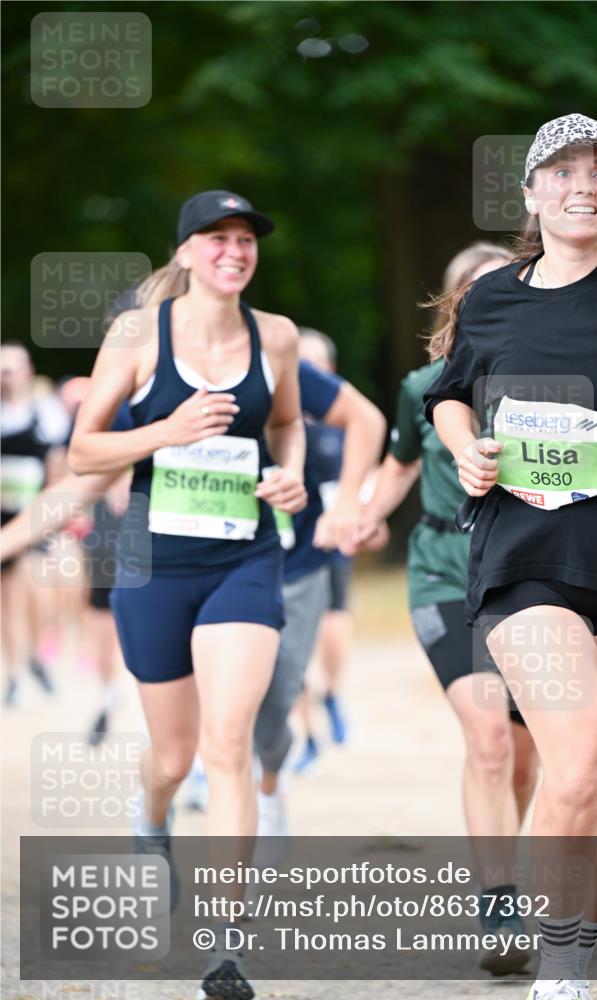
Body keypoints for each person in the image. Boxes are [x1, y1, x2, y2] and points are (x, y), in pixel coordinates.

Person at [424, 115, 597, 1000]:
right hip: (525, 552)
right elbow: (447, 397)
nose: (582, 186)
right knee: (579, 761)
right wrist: (463, 448)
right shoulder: (492, 296)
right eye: (561, 171)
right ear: (529, 192)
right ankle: (550, 973)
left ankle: (568, 960)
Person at [68, 189, 308, 1000]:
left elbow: (285, 423)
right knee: (172, 757)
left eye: (245, 240)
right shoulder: (139, 334)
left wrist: (292, 475)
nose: (234, 252)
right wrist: (164, 431)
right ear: (185, 254)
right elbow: (82, 450)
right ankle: (151, 820)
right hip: (152, 564)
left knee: (227, 744)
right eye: (217, 239)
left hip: (243, 559)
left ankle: (225, 944)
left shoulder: (272, 336)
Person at [354, 243, 539, 975]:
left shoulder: (547, 387)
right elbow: (398, 465)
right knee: (489, 737)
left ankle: (502, 872)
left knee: (523, 760)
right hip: (441, 575)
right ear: (457, 305)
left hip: (529, 585)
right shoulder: (423, 385)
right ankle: (499, 901)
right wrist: (360, 516)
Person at [254, 351, 386, 832]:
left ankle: (276, 767)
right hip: (219, 565)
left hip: (306, 555)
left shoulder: (317, 417)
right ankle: (214, 775)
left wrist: (354, 508)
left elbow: (367, 426)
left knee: (281, 688)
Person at [292, 328, 357, 770]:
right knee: (288, 641)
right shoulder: (273, 420)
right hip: (287, 544)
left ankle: (331, 692)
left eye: (314, 365)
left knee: (333, 624)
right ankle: (307, 734)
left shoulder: (345, 426)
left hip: (331, 540)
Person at [1, 342, 70, 703]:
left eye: (12, 368)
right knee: (7, 598)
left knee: (39, 593)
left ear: (28, 371)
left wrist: (56, 513)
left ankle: (36, 657)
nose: (6, 375)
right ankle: (13, 672)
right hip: (3, 515)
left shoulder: (47, 413)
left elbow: (57, 466)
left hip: (36, 513)